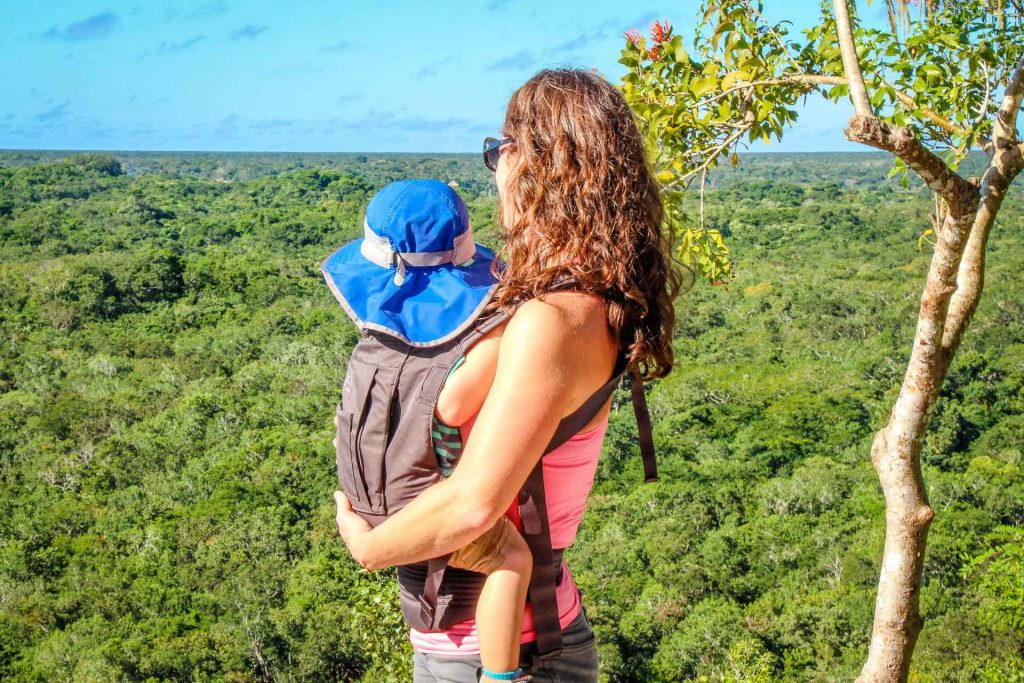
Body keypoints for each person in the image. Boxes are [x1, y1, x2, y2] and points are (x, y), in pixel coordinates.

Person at [334, 67, 685, 682]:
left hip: (506, 656)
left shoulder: (552, 318)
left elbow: (473, 507)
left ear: (540, 166)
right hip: (517, 637)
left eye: (500, 150)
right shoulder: (584, 298)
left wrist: (370, 548)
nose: (495, 169)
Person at [322, 179, 534, 682]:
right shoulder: (471, 345)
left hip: (367, 502)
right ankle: (504, 677)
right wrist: (513, 329)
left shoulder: (376, 339)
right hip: (415, 512)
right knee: (511, 558)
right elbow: (453, 404)